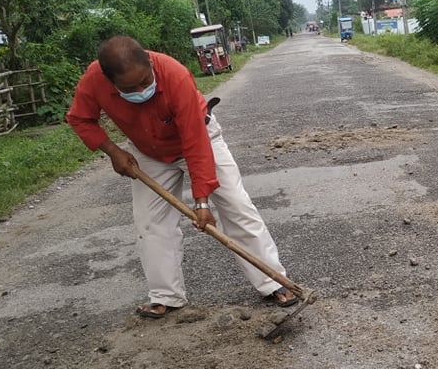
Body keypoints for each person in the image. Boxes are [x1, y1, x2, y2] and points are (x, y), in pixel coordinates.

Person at [66, 35, 297, 318]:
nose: (140, 90)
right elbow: (79, 118)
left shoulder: (174, 75)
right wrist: (113, 151)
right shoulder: (93, 80)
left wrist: (201, 203)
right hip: (148, 151)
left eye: (144, 81)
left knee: (237, 207)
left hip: (200, 137)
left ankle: (274, 282)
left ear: (150, 63)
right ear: (108, 79)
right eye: (130, 88)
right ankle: (165, 295)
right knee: (150, 222)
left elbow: (195, 142)